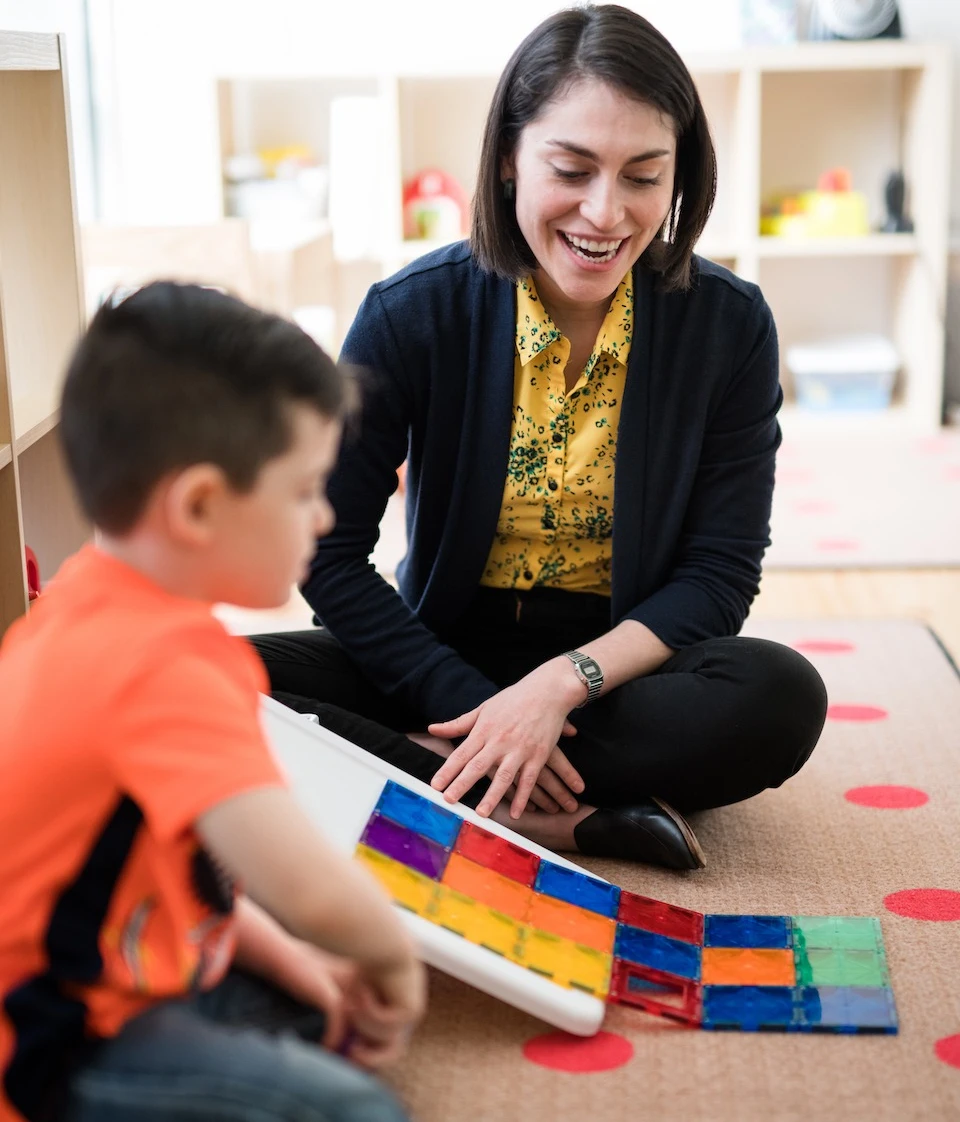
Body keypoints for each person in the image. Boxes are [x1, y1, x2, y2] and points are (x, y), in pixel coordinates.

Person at [252, 4, 828, 872]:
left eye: (644, 175)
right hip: (438, 656)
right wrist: (475, 703)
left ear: (680, 174)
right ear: (509, 161)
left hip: (615, 673)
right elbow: (325, 552)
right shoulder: (410, 313)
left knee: (779, 696)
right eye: (571, 169)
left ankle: (430, 776)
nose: (605, 212)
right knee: (204, 679)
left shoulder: (730, 324)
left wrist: (559, 687)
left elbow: (719, 573)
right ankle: (565, 819)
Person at [0, 283, 424, 1122]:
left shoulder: (91, 597)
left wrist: (298, 965)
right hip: (53, 1036)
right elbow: (305, 889)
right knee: (356, 1111)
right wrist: (395, 959)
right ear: (198, 506)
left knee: (310, 1004)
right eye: (304, 491)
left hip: (118, 962)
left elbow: (198, 874)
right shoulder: (161, 668)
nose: (325, 516)